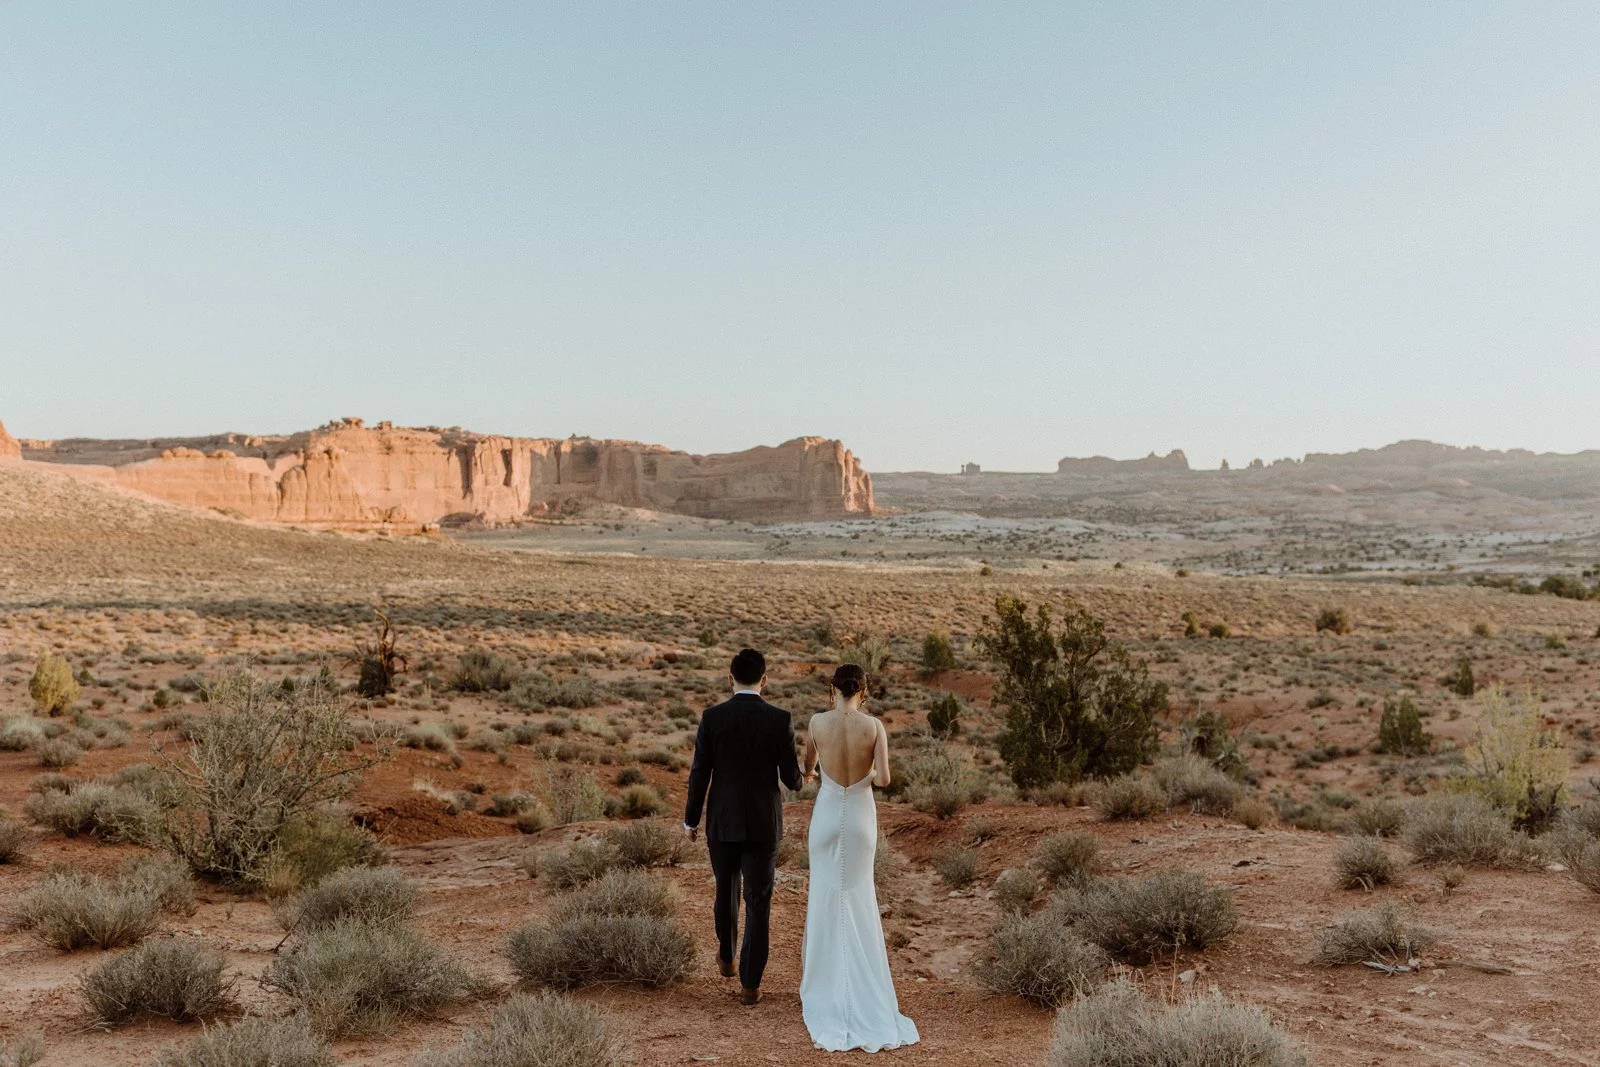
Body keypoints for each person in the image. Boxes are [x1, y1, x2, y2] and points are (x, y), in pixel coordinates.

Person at [799, 663, 920, 1052]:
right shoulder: (874, 727)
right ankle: (864, 991)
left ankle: (825, 987)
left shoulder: (817, 722)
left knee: (824, 896)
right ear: (863, 692)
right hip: (861, 819)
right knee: (858, 896)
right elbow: (884, 780)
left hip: (828, 814)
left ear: (831, 688)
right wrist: (862, 778)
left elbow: (807, 768)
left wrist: (824, 777)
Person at [683, 647, 803, 1006]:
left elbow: (699, 772)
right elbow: (791, 781)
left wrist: (691, 818)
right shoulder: (780, 719)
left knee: (726, 888)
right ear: (764, 680)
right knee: (759, 901)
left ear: (730, 678)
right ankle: (750, 984)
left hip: (721, 820)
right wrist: (805, 774)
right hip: (764, 823)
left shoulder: (712, 717)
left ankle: (727, 955)